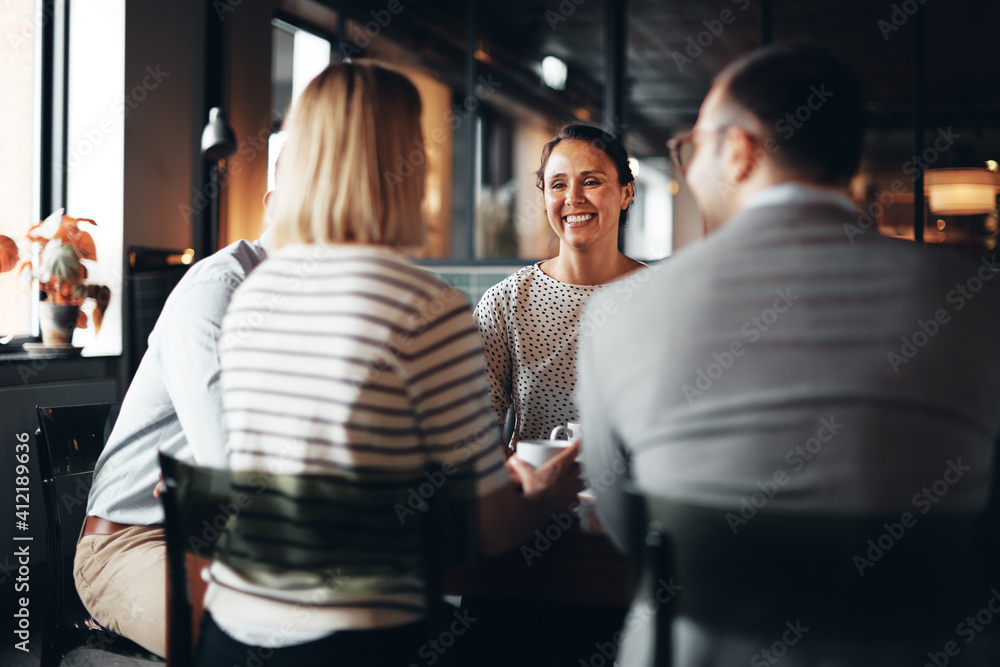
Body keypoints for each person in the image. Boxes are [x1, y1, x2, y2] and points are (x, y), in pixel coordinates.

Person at [578, 43, 1000, 666]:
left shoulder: (622, 309)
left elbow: (628, 528)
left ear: (741, 151)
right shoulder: (978, 303)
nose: (690, 171)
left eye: (693, 149)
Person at [195, 60, 582, 667]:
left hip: (227, 634)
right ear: (405, 163)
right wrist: (548, 492)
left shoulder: (254, 294)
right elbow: (489, 530)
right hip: (353, 642)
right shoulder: (424, 305)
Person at [73, 216, 272, 655]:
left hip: (232, 537)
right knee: (250, 637)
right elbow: (233, 472)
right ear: (274, 205)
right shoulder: (220, 290)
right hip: (132, 542)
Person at [475, 124, 645, 450]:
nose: (573, 198)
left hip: (636, 497)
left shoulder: (663, 297)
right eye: (557, 185)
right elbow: (474, 436)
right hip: (534, 496)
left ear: (626, 193)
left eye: (591, 182)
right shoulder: (505, 303)